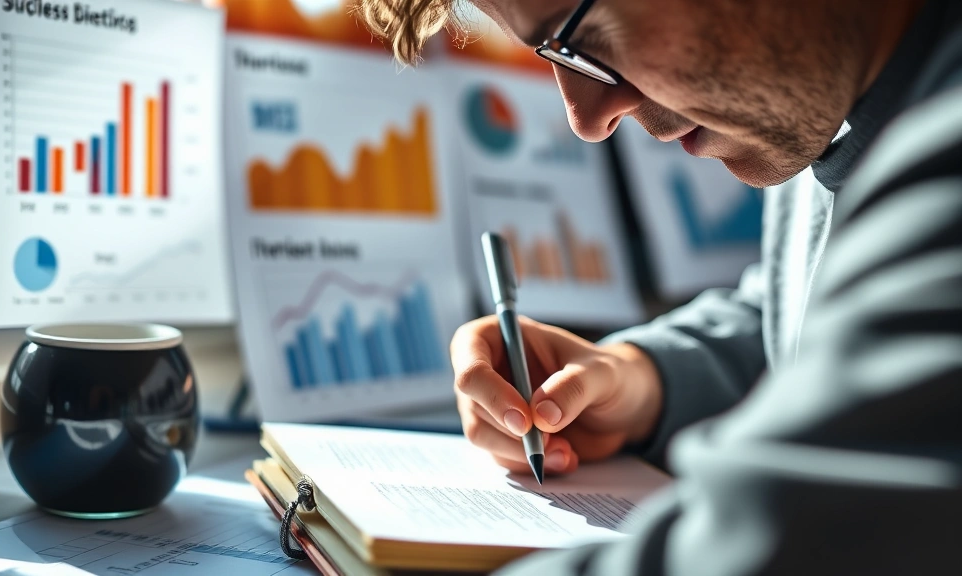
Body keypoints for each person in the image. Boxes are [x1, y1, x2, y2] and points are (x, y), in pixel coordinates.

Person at [359, 0, 962, 573]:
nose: (588, 119)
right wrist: (644, 380)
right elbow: (814, 307)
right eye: (555, 55)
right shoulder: (837, 98)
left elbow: (800, 540)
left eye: (585, 32)